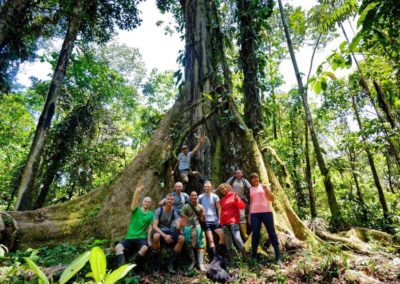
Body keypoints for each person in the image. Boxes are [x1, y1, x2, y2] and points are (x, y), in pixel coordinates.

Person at [115, 185, 154, 269]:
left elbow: (150, 227)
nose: (146, 203)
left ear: (150, 204)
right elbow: (134, 203)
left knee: (144, 248)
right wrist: (137, 191)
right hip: (130, 237)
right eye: (145, 201)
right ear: (142, 202)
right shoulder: (136, 210)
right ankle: (121, 269)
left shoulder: (151, 214)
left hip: (141, 238)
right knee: (118, 247)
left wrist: (148, 239)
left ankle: (133, 264)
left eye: (148, 202)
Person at [248, 173, 281, 264]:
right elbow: (251, 202)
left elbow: (271, 199)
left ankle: (278, 257)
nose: (255, 179)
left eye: (256, 177)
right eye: (253, 178)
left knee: (272, 233)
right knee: (255, 234)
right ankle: (254, 256)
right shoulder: (251, 189)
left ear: (258, 178)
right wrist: (249, 215)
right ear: (251, 180)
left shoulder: (264, 186)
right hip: (254, 213)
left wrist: (266, 190)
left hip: (266, 212)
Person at [152, 193, 185, 274]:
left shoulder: (174, 211)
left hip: (169, 231)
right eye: (168, 199)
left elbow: (178, 227)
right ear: (165, 200)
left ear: (173, 201)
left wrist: (181, 224)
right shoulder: (159, 210)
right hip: (160, 232)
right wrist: (165, 236)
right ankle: (156, 264)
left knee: (182, 238)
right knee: (155, 236)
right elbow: (154, 226)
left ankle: (170, 264)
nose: (170, 200)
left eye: (172, 199)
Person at [198, 181, 227, 259]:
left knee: (222, 236)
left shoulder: (215, 196)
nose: (207, 188)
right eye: (206, 186)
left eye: (209, 186)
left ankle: (221, 256)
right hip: (206, 221)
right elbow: (197, 208)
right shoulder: (200, 197)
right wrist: (200, 217)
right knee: (210, 239)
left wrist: (220, 219)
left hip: (214, 219)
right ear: (204, 188)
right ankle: (214, 257)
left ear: (211, 187)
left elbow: (219, 208)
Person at [218, 183, 247, 260]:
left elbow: (242, 206)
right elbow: (222, 211)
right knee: (228, 241)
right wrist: (221, 221)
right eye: (221, 189)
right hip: (224, 222)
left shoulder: (234, 196)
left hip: (233, 221)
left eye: (223, 188)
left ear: (228, 188)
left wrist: (237, 201)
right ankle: (232, 259)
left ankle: (245, 256)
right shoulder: (222, 199)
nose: (222, 190)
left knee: (237, 238)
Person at [180, 191, 207, 272]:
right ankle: (192, 261)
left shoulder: (200, 207)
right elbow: (183, 219)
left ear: (197, 196)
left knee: (199, 244)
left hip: (198, 226)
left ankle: (200, 264)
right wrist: (182, 229)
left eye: (195, 195)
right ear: (190, 197)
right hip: (188, 227)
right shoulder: (186, 207)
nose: (193, 197)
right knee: (188, 244)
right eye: (192, 195)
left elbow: (202, 219)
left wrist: (203, 217)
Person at [226, 169, 251, 241]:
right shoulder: (231, 179)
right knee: (231, 218)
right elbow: (225, 186)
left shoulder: (244, 181)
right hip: (231, 201)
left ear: (242, 174)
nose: (238, 174)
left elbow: (250, 188)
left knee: (242, 217)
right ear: (235, 174)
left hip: (240, 201)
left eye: (239, 173)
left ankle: (245, 235)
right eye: (236, 173)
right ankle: (234, 237)